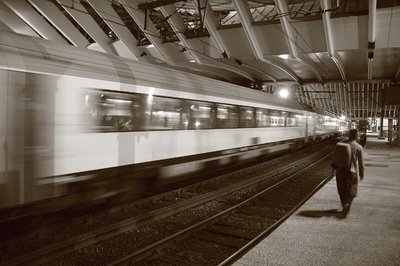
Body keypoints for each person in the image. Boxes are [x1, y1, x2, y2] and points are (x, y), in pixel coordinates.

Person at [332, 129, 365, 217]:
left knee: (341, 189)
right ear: (357, 136)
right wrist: (362, 173)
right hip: (352, 172)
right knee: (351, 190)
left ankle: (344, 205)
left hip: (340, 171)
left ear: (349, 136)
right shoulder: (358, 147)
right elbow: (361, 163)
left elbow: (335, 158)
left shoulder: (342, 145)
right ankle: (347, 205)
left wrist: (333, 170)